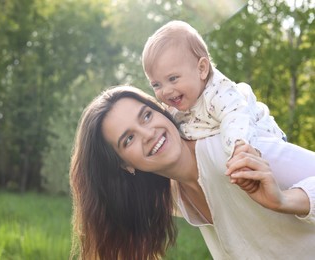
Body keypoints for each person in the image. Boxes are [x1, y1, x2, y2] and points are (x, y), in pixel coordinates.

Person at [69, 85, 315, 260]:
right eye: (129, 138)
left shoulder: (231, 150)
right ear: (124, 166)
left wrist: (285, 201)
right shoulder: (172, 196)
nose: (148, 133)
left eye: (146, 116)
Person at [142, 20, 287, 159]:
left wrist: (238, 149)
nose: (166, 91)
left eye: (173, 78)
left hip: (265, 142)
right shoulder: (178, 107)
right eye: (156, 85)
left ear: (202, 69)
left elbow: (236, 117)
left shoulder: (219, 92)